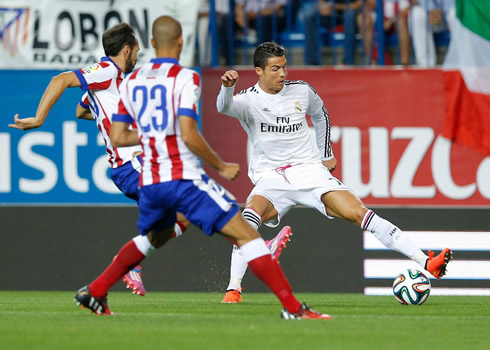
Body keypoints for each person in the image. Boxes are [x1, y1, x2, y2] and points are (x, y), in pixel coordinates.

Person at [74, 15, 331, 320]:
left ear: (153, 44)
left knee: (154, 238)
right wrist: (220, 165)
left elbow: (117, 136)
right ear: (181, 42)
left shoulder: (130, 80)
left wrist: (152, 135)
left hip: (150, 181)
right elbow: (188, 133)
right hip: (181, 179)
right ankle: (293, 308)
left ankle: (96, 291)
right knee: (246, 234)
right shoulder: (186, 78)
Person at [216, 41, 453, 302]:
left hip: (310, 173)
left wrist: (325, 152)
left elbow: (321, 115)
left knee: (360, 213)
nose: (282, 74)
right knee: (249, 217)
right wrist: (227, 88)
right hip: (271, 178)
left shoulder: (302, 91)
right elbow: (224, 107)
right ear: (258, 71)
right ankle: (234, 288)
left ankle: (426, 261)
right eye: (275, 69)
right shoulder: (248, 100)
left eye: (284, 67)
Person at [8, 22, 190, 296]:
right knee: (190, 204)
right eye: (136, 51)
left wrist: (117, 118)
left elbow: (81, 112)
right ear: (126, 49)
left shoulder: (109, 84)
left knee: (182, 215)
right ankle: (250, 243)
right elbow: (60, 79)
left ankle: (122, 270)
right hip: (133, 164)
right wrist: (40, 118)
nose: (137, 56)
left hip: (127, 168)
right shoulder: (106, 71)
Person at [303, 0, 363, 65]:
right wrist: (323, 8)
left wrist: (336, 7)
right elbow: (319, 3)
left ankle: (347, 62)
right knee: (311, 18)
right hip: (334, 14)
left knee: (349, 16)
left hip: (352, 13)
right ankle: (312, 62)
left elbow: (359, 5)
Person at [357, 0, 411, 65]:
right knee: (363, 19)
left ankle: (404, 64)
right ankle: (373, 61)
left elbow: (411, 6)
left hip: (401, 19)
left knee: (401, 23)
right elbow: (372, 4)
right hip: (382, 18)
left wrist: (391, 20)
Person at [409, 0, 455, 67]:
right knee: (417, 13)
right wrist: (431, 8)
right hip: (427, 12)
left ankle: (458, 63)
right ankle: (425, 65)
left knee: (454, 13)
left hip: (447, 11)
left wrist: (441, 9)